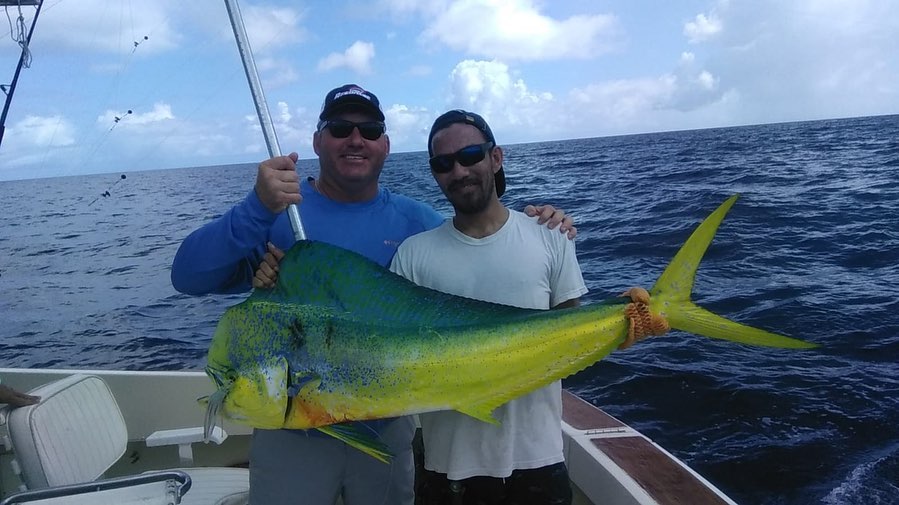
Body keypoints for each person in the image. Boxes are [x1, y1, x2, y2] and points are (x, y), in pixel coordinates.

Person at [171, 84, 576, 505]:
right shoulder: (279, 212)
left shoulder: (416, 223)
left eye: (369, 130)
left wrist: (543, 223)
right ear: (317, 141)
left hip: (385, 433)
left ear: (385, 145)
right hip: (292, 433)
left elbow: (480, 244)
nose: (355, 139)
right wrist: (256, 206)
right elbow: (188, 276)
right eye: (340, 127)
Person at [387, 109, 586, 504]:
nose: (458, 171)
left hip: (538, 463)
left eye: (470, 155)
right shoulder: (413, 256)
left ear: (496, 158)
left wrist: (631, 324)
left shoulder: (550, 236)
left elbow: (575, 337)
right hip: (448, 471)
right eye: (443, 163)